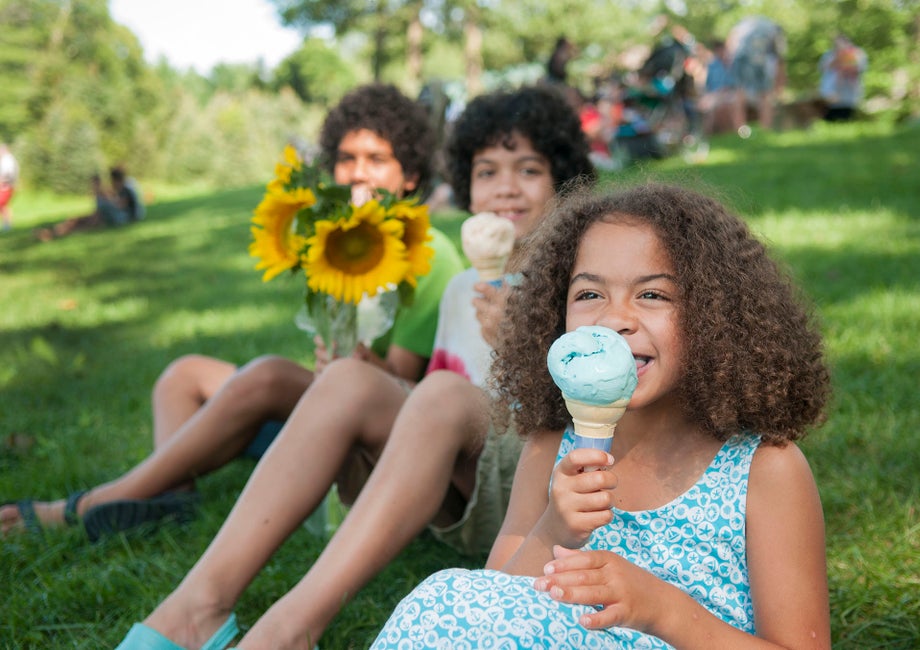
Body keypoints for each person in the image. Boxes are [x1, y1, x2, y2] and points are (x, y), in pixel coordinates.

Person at [110, 85, 596, 649]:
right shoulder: (465, 285)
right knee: (349, 380)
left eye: (528, 169)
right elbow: (429, 403)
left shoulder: (585, 278)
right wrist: (370, 382)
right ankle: (195, 610)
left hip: (543, 505)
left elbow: (603, 409)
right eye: (487, 171)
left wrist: (529, 345)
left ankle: (289, 631)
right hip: (463, 487)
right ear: (466, 184)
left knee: (436, 392)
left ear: (562, 180)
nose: (505, 187)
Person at [372, 182, 833, 648]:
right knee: (444, 594)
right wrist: (554, 527)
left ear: (716, 316)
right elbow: (491, 606)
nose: (615, 319)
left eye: (652, 295)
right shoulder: (553, 449)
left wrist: (661, 609)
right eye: (590, 294)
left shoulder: (764, 470)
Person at [1, 83, 461, 539]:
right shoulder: (331, 240)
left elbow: (407, 389)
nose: (358, 174)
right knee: (184, 376)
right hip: (326, 405)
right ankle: (170, 495)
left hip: (383, 432)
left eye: (377, 160)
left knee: (270, 376)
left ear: (411, 176)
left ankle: (95, 502)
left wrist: (352, 363)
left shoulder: (430, 255)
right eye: (347, 158)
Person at [33, 166, 144, 241]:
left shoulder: (127, 189)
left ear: (117, 180)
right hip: (116, 216)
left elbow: (121, 205)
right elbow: (117, 202)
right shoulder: (125, 186)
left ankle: (54, 234)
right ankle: (53, 231)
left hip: (123, 218)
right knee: (77, 219)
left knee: (90, 220)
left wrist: (107, 201)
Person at [727, 15, 787, 135]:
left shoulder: (744, 25)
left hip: (740, 57)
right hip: (758, 59)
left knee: (739, 93)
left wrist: (731, 62)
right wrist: (780, 85)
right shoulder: (774, 29)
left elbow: (730, 42)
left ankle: (740, 131)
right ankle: (765, 129)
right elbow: (780, 59)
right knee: (765, 94)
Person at [819, 33, 868, 122]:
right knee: (830, 115)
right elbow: (823, 68)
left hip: (849, 90)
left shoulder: (857, 53)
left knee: (847, 114)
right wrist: (838, 57)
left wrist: (847, 58)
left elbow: (860, 68)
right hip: (832, 90)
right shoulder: (829, 54)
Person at [0, 143, 19, 231]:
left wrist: (2, 181)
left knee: (2, 204)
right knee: (3, 206)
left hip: (6, 185)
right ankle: (7, 225)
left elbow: (7, 174)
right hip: (6, 185)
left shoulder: (8, 160)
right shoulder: (6, 159)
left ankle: (7, 224)